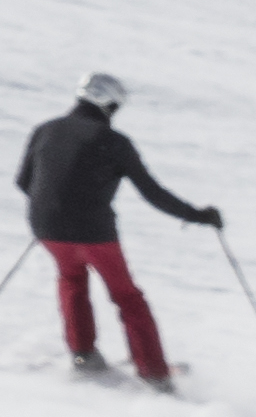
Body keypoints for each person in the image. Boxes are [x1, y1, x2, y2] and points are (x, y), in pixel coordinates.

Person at [21, 71, 212, 380]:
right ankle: (154, 374)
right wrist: (197, 215)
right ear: (108, 104)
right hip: (94, 233)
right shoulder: (113, 142)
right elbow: (152, 192)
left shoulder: (45, 130)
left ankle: (83, 355)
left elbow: (24, 181)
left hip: (46, 226)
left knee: (71, 279)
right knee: (127, 298)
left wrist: (55, 204)